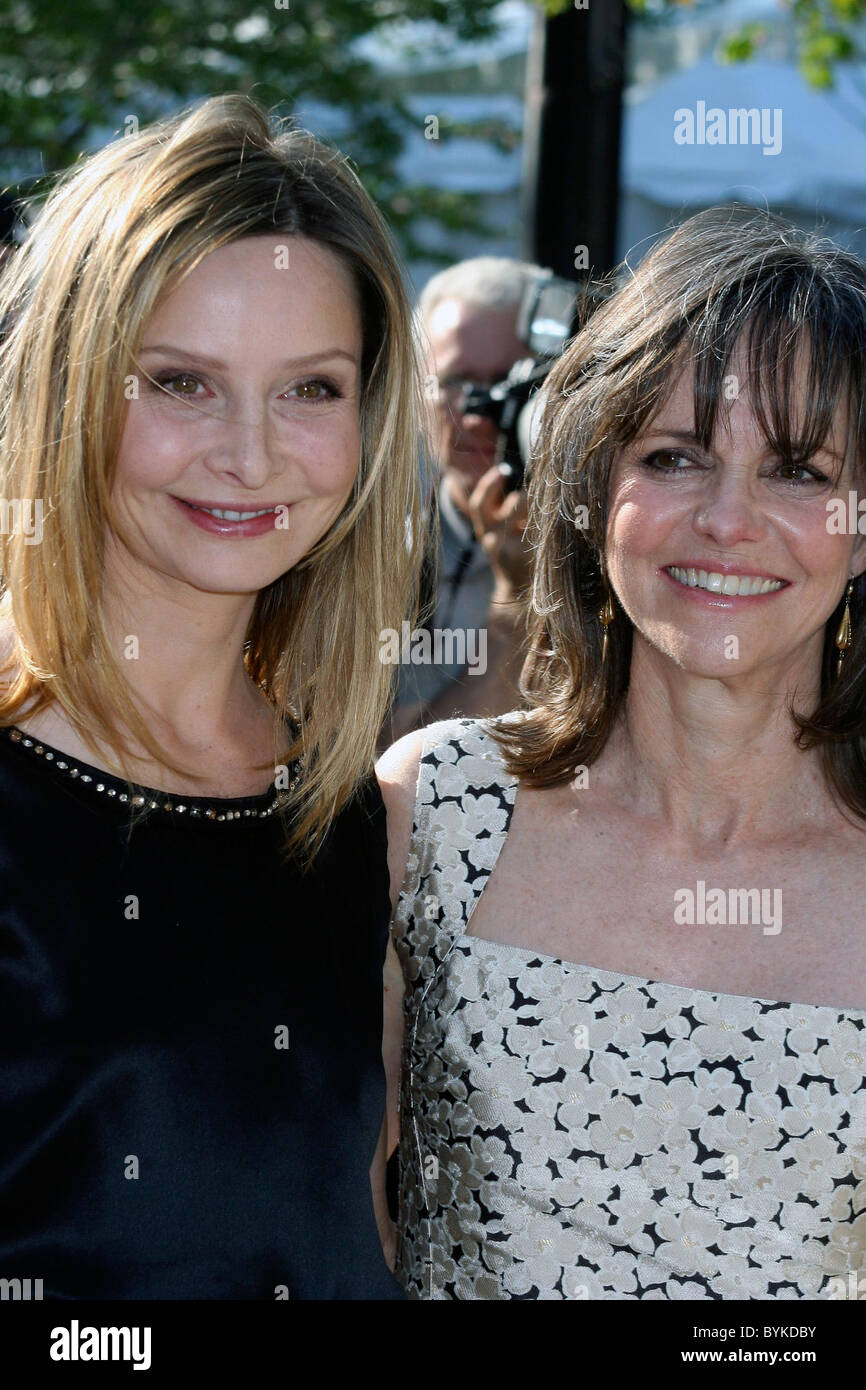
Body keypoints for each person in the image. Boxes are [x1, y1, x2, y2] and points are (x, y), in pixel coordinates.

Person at [378, 204, 866, 1300]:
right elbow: (332, 1229)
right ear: (594, 483)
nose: (726, 520)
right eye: (674, 455)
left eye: (796, 470)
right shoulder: (437, 814)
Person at [0, 94, 425, 1299]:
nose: (250, 453)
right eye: (180, 383)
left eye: (310, 388)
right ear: (68, 388)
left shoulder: (337, 807)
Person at [386, 257, 541, 741]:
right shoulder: (372, 550)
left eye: (508, 385)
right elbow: (388, 775)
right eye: (457, 383)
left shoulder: (618, 541)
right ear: (415, 392)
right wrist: (515, 606)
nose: (477, 416)